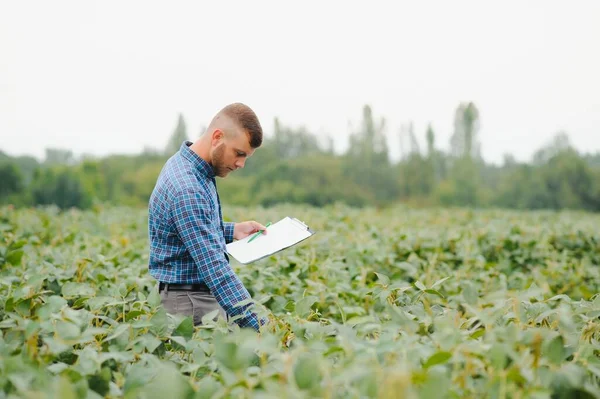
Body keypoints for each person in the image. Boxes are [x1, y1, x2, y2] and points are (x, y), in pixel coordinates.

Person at [148, 103, 268, 331]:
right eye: (239, 153)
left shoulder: (186, 165)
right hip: (191, 305)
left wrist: (232, 231)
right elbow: (216, 271)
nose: (241, 164)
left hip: (187, 298)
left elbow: (187, 228)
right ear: (217, 137)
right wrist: (261, 327)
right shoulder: (188, 188)